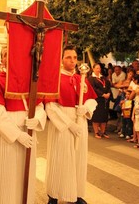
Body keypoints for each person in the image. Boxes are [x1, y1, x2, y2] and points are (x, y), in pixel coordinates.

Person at [0, 47, 46, 204]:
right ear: (2, 60)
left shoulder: (30, 81)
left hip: (29, 134)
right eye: (5, 55)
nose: (9, 57)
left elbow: (39, 106)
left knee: (27, 176)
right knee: (7, 178)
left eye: (12, 53)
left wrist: (37, 119)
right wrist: (18, 135)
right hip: (8, 139)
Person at [45, 45, 97, 204]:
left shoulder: (82, 78)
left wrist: (86, 108)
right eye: (68, 57)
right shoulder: (55, 78)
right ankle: (53, 195)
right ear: (61, 60)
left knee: (78, 159)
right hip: (62, 123)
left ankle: (77, 194)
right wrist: (69, 124)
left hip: (80, 120)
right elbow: (50, 106)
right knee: (60, 158)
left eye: (75, 57)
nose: (72, 61)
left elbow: (92, 99)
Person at [88, 63, 112, 139]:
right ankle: (96, 132)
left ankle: (103, 131)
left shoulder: (103, 78)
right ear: (93, 69)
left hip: (105, 100)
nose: (99, 69)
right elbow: (93, 89)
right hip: (97, 99)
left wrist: (108, 93)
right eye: (97, 68)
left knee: (104, 116)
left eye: (99, 68)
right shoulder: (91, 78)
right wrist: (102, 94)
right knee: (97, 116)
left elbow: (108, 86)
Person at [131, 83, 139, 149]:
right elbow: (135, 106)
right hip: (137, 114)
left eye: (138, 88)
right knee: (137, 129)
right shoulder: (136, 96)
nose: (136, 89)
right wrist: (133, 114)